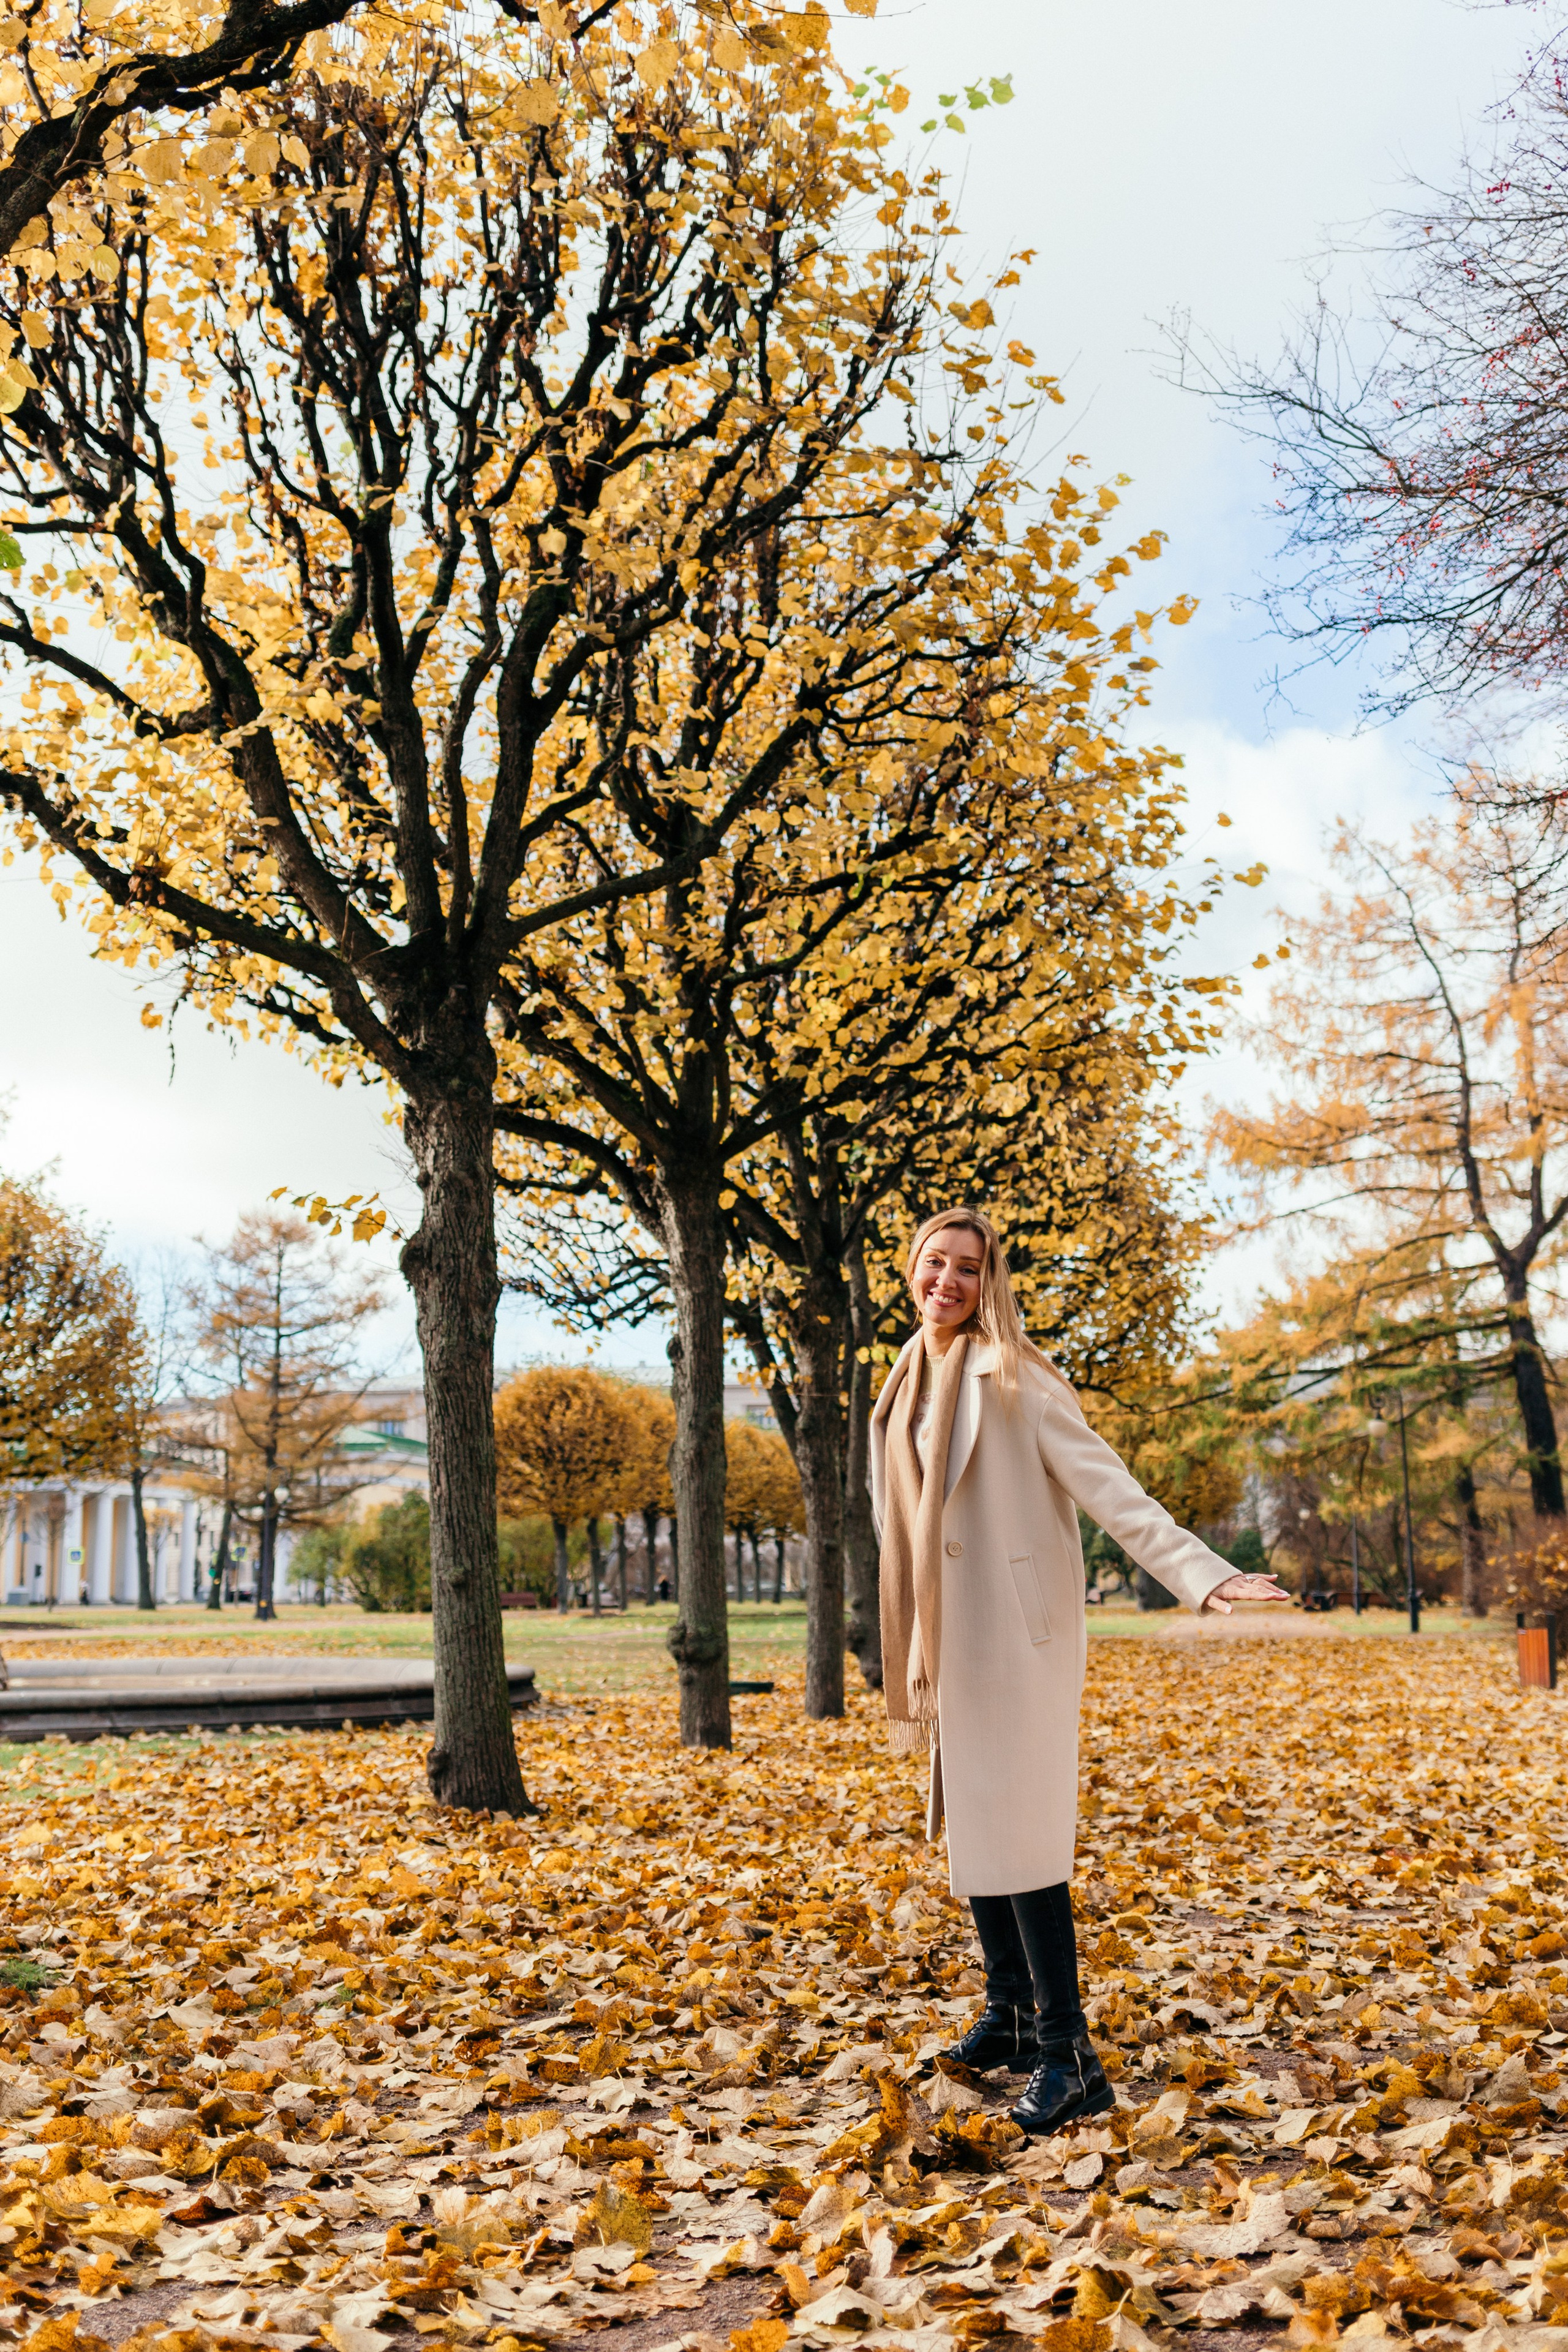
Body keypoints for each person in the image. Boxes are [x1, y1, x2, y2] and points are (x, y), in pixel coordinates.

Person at [870, 1208, 1286, 2135]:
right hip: (948, 1642)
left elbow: (1112, 1489)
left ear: (990, 1283)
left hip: (1015, 1640)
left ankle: (1071, 2058)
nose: (949, 1281)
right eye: (936, 1263)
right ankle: (1012, 2013)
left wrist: (1203, 1577)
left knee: (1021, 1838)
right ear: (913, 1269)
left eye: (968, 1269)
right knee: (979, 1827)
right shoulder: (903, 1383)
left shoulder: (1013, 1377)